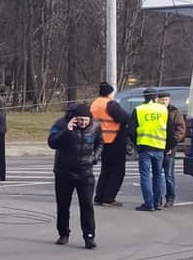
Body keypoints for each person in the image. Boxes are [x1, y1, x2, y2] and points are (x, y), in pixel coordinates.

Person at [48, 103, 103, 249]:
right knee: (63, 204)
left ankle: (89, 236)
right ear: (74, 118)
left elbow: (100, 143)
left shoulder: (96, 127)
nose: (83, 123)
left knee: (87, 205)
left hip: (85, 173)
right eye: (80, 120)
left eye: (86, 120)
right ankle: (63, 233)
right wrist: (67, 130)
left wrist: (95, 158)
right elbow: (52, 142)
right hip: (64, 172)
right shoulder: (61, 124)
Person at [91, 82, 131, 207]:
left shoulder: (95, 104)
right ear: (109, 93)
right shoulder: (110, 104)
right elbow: (124, 118)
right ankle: (108, 198)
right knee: (118, 171)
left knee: (106, 170)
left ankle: (99, 196)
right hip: (114, 139)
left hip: (101, 140)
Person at [131, 87, 169, 212]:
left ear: (144, 97)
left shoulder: (139, 110)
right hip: (159, 146)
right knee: (158, 175)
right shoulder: (163, 109)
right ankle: (158, 202)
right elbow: (168, 127)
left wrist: (136, 144)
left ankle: (149, 204)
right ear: (156, 97)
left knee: (145, 176)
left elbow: (131, 130)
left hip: (144, 146)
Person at [158, 91, 187, 209]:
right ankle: (158, 199)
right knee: (157, 175)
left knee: (168, 175)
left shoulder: (174, 112)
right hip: (157, 146)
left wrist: (171, 145)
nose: (164, 102)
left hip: (170, 148)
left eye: (166, 100)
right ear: (157, 100)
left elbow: (180, 130)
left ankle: (170, 198)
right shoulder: (155, 112)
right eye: (162, 100)